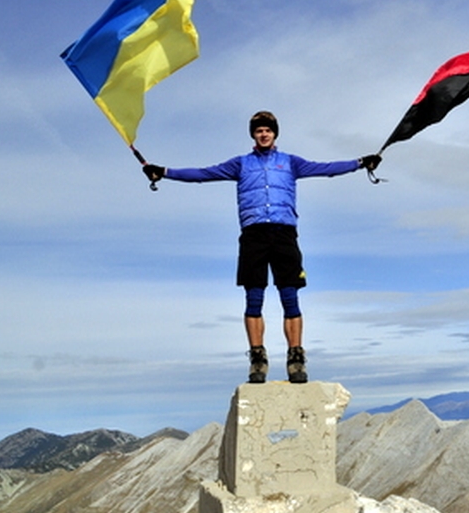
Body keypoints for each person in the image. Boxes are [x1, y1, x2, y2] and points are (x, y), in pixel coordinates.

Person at [142, 111, 381, 384]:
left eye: (268, 130)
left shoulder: (290, 162)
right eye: (259, 131)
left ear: (275, 133)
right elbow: (202, 174)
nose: (264, 134)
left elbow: (326, 168)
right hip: (253, 235)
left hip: (284, 234)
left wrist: (361, 163)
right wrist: (164, 172)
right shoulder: (240, 164)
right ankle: (258, 359)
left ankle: (296, 358)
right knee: (254, 298)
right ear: (253, 135)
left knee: (289, 297)